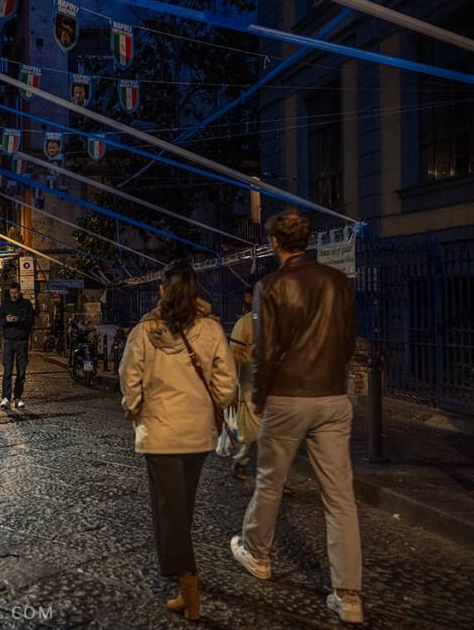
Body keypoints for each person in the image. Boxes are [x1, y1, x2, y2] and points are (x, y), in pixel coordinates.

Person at [230, 210, 363, 624]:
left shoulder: (270, 285)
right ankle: (348, 595)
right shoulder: (338, 282)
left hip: (288, 396)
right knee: (340, 496)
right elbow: (346, 340)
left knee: (270, 481)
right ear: (306, 241)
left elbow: (264, 350)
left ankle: (258, 554)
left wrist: (258, 396)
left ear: (275, 243)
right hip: (330, 395)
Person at [119, 260, 236, 621]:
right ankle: (185, 586)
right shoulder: (212, 330)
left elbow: (130, 380)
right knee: (180, 511)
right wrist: (209, 404)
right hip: (198, 435)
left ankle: (189, 588)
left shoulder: (144, 333)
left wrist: (136, 410)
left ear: (161, 290)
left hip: (160, 435)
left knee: (170, 512)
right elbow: (227, 385)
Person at [229, 287, 261, 482]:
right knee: (251, 427)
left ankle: (276, 478)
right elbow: (234, 355)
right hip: (251, 381)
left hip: (274, 383)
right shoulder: (246, 323)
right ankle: (241, 461)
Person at [0, 282, 34, 410]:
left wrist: (19, 320)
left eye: (16, 292)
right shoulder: (5, 304)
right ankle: (6, 397)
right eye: (12, 293)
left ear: (19, 291)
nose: (14, 295)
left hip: (21, 342)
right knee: (7, 370)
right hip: (8, 341)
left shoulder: (26, 304)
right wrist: (6, 320)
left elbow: (31, 322)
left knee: (21, 371)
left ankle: (18, 397)